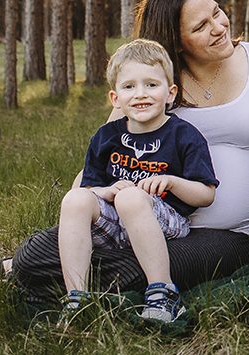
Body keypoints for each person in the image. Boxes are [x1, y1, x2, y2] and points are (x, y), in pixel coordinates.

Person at [9, 0, 249, 316]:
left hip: (228, 236)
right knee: (36, 252)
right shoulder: (150, 84)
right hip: (139, 222)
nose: (219, 27)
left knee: (136, 271)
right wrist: (101, 193)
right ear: (175, 43)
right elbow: (104, 158)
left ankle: (37, 279)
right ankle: (32, 271)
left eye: (217, 13)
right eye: (200, 26)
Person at [58, 39, 218, 324]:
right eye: (129, 86)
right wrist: (105, 191)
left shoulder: (184, 136)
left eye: (151, 85)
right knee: (74, 199)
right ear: (115, 98)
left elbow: (205, 195)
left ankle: (163, 293)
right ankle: (77, 300)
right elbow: (87, 187)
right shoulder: (106, 136)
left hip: (165, 219)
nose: (140, 94)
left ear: (170, 93)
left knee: (130, 198)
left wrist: (170, 182)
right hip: (115, 219)